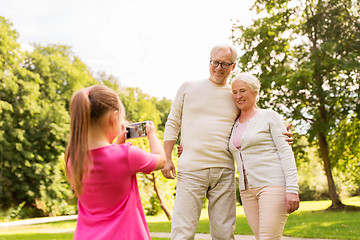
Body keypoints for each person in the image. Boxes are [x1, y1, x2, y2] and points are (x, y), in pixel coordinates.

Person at [161, 44, 293, 240]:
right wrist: (167, 158)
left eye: (225, 63)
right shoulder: (188, 88)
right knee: (182, 233)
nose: (219, 67)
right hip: (191, 170)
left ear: (233, 66)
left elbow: (253, 119)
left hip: (224, 173)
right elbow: (173, 122)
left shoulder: (234, 95)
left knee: (224, 235)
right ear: (209, 62)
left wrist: (281, 133)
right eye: (215, 62)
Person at [64, 84, 165, 240]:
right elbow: (161, 160)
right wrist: (151, 133)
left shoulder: (73, 159)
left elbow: (105, 165)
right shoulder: (127, 155)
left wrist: (118, 145)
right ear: (113, 117)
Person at [229, 73, 300, 239]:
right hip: (246, 191)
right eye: (234, 92)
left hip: (272, 186)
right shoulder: (233, 123)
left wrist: (292, 189)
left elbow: (286, 153)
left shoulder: (270, 116)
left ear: (255, 92)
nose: (238, 96)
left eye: (242, 91)